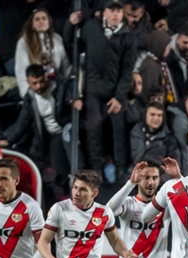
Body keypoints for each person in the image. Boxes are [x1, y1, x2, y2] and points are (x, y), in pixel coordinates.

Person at [64, 0, 136, 174]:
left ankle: (120, 170)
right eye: (111, 10)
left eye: (119, 10)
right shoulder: (90, 27)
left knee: (119, 127)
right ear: (104, 12)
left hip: (115, 89)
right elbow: (71, 45)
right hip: (92, 88)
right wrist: (69, 25)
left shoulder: (129, 36)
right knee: (93, 126)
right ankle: (96, 169)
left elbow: (127, 71)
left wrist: (119, 97)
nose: (115, 14)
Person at [0, 65, 72, 184]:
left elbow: (69, 98)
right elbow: (23, 121)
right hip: (52, 135)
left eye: (41, 81)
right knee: (59, 168)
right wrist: (9, 140)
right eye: (34, 83)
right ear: (28, 82)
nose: (39, 86)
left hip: (66, 129)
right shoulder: (30, 98)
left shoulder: (59, 88)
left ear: (45, 77)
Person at [14, 8, 69, 97]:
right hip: (36, 90)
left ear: (49, 22)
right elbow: (21, 71)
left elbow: (65, 65)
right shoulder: (24, 42)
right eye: (37, 19)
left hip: (56, 89)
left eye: (44, 18)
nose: (41, 21)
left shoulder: (57, 39)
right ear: (32, 23)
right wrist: (27, 95)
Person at [129, 103, 186, 173]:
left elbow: (174, 170)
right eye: (152, 114)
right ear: (145, 115)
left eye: (159, 115)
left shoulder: (170, 141)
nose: (156, 118)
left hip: (157, 182)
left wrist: (156, 179)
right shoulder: (133, 133)